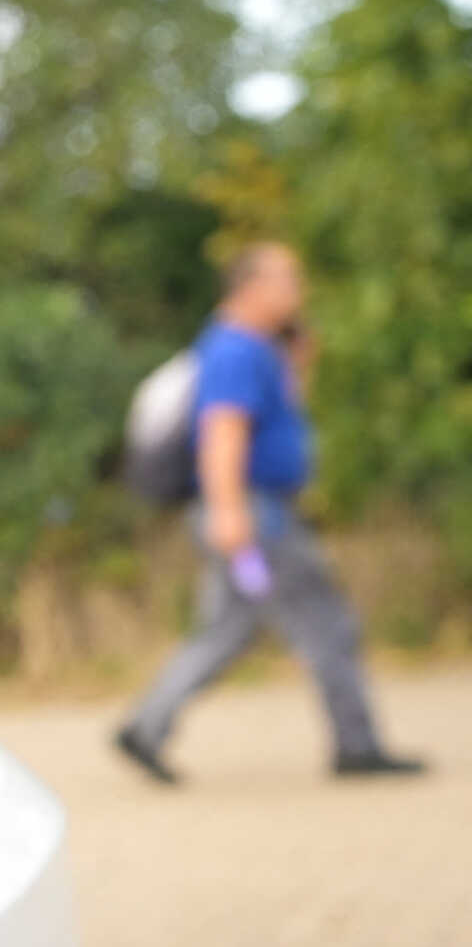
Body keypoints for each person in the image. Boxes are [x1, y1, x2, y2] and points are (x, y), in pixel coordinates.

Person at [115, 243, 426, 783]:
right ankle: (357, 745)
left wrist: (297, 365)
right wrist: (230, 511)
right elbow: (223, 431)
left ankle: (147, 724)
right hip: (257, 517)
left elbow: (274, 423)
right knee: (325, 620)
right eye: (289, 281)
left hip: (250, 511)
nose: (298, 293)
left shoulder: (253, 349)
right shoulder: (235, 348)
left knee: (230, 628)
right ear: (251, 287)